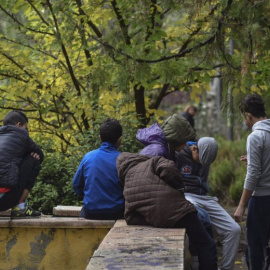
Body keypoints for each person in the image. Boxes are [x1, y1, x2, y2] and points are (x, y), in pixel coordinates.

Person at [117, 152, 218, 270]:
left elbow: (130, 217)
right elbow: (168, 167)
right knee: (206, 244)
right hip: (179, 210)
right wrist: (178, 187)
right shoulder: (152, 161)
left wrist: (152, 218)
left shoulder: (127, 184)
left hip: (161, 219)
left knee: (197, 241)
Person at [136, 114, 212, 235]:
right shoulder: (158, 152)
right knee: (202, 219)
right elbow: (148, 186)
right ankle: (201, 252)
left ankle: (196, 252)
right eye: (184, 142)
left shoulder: (166, 150)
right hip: (152, 207)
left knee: (203, 217)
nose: (185, 146)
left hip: (158, 202)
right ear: (175, 139)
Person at [177, 137, 241, 270]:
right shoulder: (179, 154)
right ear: (195, 149)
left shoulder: (206, 158)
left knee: (234, 230)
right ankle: (196, 261)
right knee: (199, 218)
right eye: (201, 160)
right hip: (186, 195)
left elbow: (204, 180)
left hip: (205, 197)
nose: (203, 164)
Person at [234, 94, 270, 270]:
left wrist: (241, 204)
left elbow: (254, 174)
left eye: (243, 117)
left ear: (249, 116)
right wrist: (255, 159)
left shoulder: (255, 137)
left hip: (261, 199)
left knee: (254, 248)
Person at [73, 118, 124, 220]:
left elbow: (76, 185)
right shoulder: (124, 159)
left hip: (91, 212)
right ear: (120, 139)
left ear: (99, 137)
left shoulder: (88, 157)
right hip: (117, 212)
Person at [0, 110, 44, 218]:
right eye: (26, 128)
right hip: (4, 199)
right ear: (18, 125)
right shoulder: (21, 134)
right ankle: (21, 207)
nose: (26, 131)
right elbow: (40, 155)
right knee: (34, 158)